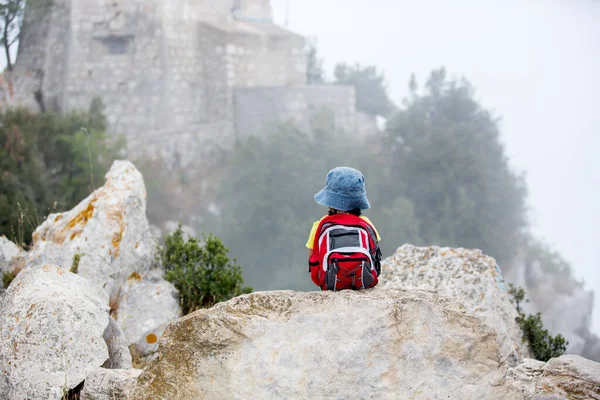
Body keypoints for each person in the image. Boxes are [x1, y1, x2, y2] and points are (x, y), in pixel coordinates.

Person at [307, 167, 382, 291]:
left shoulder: (319, 225)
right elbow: (375, 256)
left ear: (329, 200)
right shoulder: (366, 223)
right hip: (363, 282)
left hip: (331, 284)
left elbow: (313, 260)